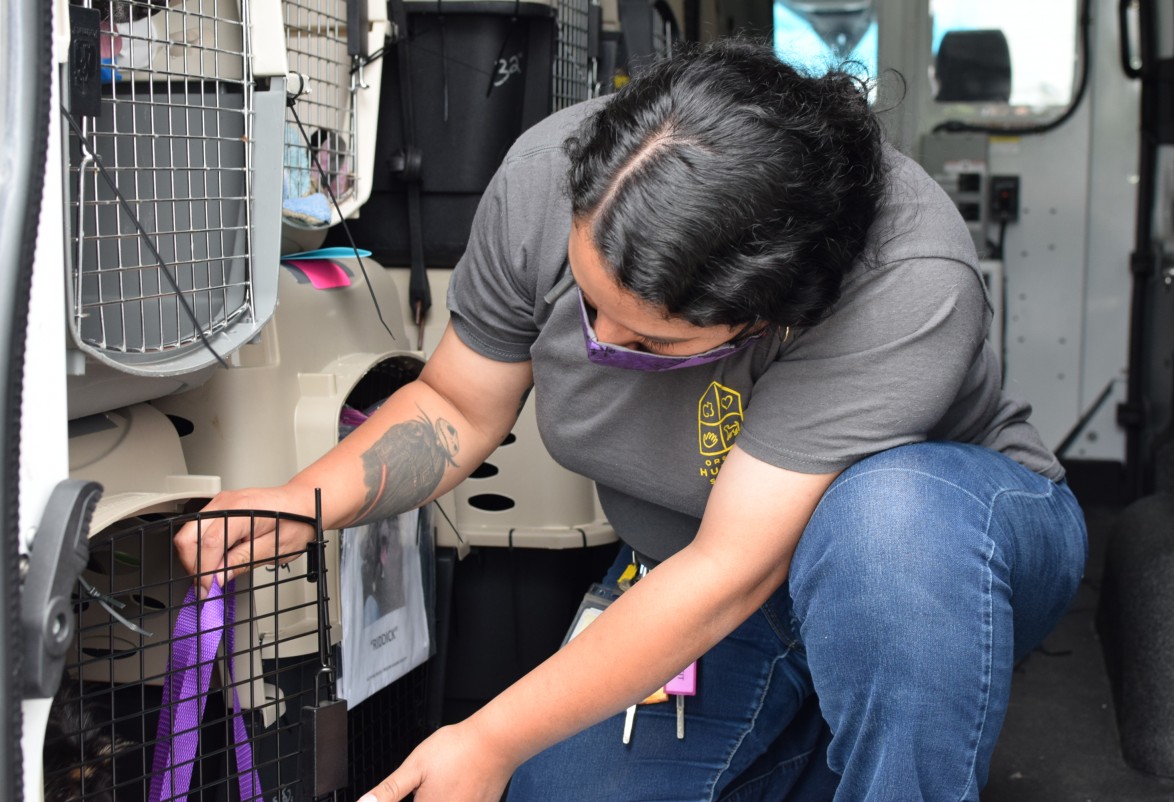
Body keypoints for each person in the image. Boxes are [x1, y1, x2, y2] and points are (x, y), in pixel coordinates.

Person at [178, 38, 1087, 800]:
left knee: (888, 523)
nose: (597, 342)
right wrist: (304, 502)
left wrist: (486, 737)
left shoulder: (905, 279)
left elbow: (730, 570)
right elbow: (457, 404)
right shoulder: (549, 177)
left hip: (933, 559)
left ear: (769, 312)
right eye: (587, 299)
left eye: (652, 340)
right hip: (693, 563)